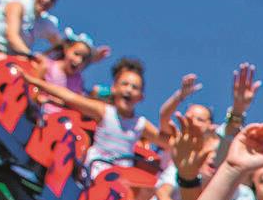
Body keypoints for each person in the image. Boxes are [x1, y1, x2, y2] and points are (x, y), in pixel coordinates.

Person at [21, 57, 165, 172]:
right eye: (124, 84)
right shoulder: (104, 110)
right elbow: (70, 97)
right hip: (97, 172)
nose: (128, 90)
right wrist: (35, 82)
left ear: (141, 96)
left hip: (121, 179)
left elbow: (167, 142)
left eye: (134, 87)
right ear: (114, 88)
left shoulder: (140, 123)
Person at [37, 33, 111, 117]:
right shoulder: (47, 66)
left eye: (84, 59)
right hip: (39, 113)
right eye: (76, 54)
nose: (79, 60)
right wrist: (38, 96)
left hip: (60, 119)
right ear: (67, 50)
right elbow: (33, 86)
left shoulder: (78, 80)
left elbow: (76, 102)